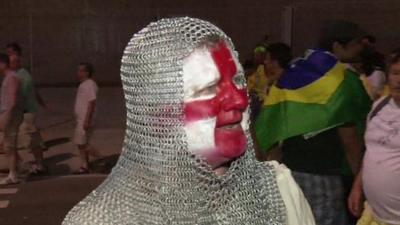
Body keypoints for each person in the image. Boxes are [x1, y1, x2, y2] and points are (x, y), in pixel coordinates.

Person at [62, 17, 315, 225]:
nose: (237, 100)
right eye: (208, 89)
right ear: (157, 116)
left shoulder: (278, 191)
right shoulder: (101, 219)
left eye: (238, 81)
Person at [255, 20, 371, 225]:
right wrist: (360, 182)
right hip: (324, 177)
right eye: (356, 43)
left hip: (290, 171)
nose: (361, 47)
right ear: (337, 46)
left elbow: (274, 126)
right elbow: (350, 138)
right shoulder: (341, 79)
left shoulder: (292, 71)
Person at [349, 53, 400, 225]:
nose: (399, 80)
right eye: (396, 73)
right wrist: (357, 186)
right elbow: (372, 151)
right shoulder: (379, 106)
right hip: (374, 214)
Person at [8, 53, 48, 175]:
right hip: (26, 112)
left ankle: (37, 165)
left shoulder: (21, 76)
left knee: (30, 139)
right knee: (29, 139)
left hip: (25, 112)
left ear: (15, 63)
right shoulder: (23, 74)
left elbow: (21, 96)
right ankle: (35, 164)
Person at [0, 53, 24, 185]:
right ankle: (16, 169)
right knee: (7, 145)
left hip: (10, 115)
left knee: (10, 145)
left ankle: (13, 174)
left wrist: (6, 116)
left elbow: (13, 100)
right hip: (8, 114)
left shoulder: (11, 78)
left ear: (3, 64)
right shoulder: (9, 77)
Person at [73, 63, 98, 174]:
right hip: (81, 119)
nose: (79, 73)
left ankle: (99, 158)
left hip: (85, 119)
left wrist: (87, 119)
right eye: (78, 71)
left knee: (82, 144)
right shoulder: (84, 84)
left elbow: (92, 102)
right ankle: (86, 164)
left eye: (81, 71)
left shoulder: (89, 84)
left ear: (87, 72)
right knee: (82, 143)